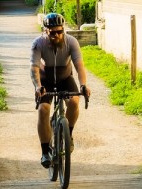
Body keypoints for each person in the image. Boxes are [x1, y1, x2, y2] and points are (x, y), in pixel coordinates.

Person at [31, 12, 91, 168]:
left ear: (63, 29)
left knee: (74, 102)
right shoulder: (38, 43)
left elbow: (79, 66)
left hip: (65, 78)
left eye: (59, 31)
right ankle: (45, 151)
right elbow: (34, 68)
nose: (56, 35)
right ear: (45, 30)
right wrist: (38, 86)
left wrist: (83, 85)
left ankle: (68, 135)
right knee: (44, 109)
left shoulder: (71, 42)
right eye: (52, 32)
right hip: (46, 80)